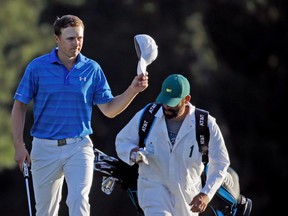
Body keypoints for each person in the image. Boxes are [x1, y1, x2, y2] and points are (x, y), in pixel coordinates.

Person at [11, 14, 149, 216]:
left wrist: (133, 90)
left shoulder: (92, 69)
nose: (76, 43)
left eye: (80, 38)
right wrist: (19, 146)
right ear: (57, 39)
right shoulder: (37, 68)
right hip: (43, 147)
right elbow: (19, 106)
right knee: (45, 211)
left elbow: (109, 109)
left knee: (79, 201)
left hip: (79, 146)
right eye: (70, 38)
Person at [115, 74, 230, 216]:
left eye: (172, 102)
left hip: (187, 199)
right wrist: (133, 153)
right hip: (153, 191)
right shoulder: (148, 115)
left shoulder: (205, 123)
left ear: (187, 99)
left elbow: (220, 163)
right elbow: (122, 140)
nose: (166, 106)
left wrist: (206, 194)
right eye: (164, 101)